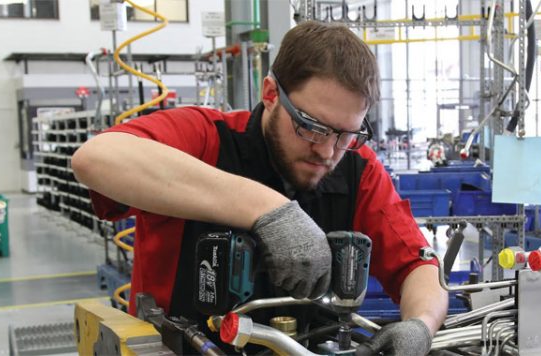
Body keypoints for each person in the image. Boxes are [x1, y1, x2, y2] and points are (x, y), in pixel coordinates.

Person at [72, 21, 448, 355]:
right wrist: (270, 210)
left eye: (347, 134)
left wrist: (421, 325)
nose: (327, 151)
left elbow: (417, 265)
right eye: (312, 126)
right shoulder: (206, 138)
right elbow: (95, 158)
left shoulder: (358, 169)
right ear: (270, 94)